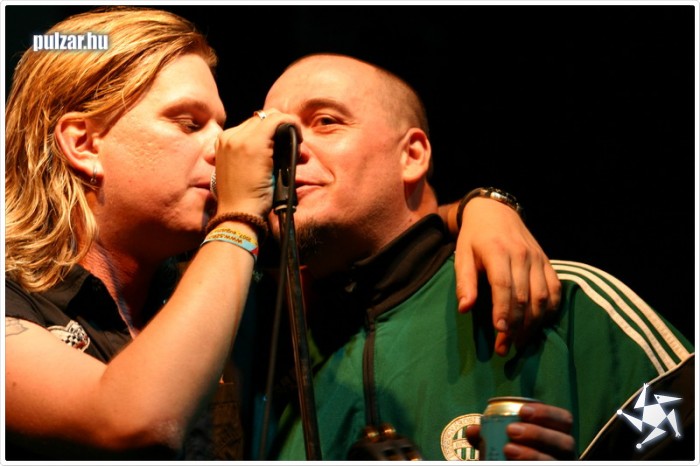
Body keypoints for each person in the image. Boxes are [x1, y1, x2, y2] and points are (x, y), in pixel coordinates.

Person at [4, 7, 561, 460]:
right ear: (84, 144)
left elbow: (379, 230)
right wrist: (239, 216)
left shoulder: (226, 286)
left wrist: (483, 207)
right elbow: (135, 418)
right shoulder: (13, 304)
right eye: (188, 122)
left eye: (221, 125)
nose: (222, 147)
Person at [260, 53, 695, 461]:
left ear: (412, 155)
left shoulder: (562, 301)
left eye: (325, 121)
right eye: (272, 132)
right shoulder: (262, 361)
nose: (287, 148)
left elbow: (683, 435)